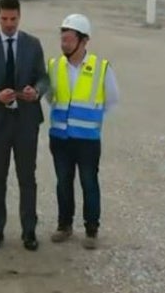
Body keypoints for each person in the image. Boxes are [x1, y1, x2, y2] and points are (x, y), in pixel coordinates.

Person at [0, 0, 49, 252]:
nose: (8, 24)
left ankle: (29, 231)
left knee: (27, 177)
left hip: (26, 121)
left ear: (20, 17)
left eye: (13, 19)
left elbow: (43, 77)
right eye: (4, 19)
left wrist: (35, 92)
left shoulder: (33, 44)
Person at [45, 14, 119, 250]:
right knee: (63, 182)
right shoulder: (54, 67)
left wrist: (92, 120)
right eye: (62, 39)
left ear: (84, 41)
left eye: (68, 39)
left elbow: (112, 99)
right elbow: (49, 97)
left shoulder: (100, 68)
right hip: (60, 138)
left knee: (89, 182)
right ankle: (64, 225)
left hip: (87, 140)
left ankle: (91, 229)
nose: (64, 44)